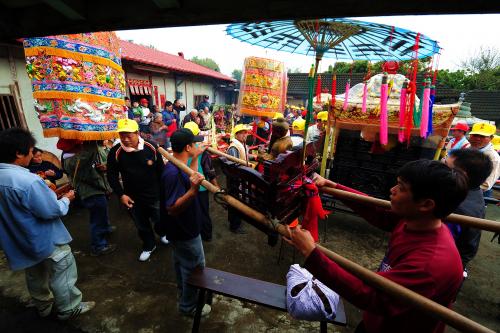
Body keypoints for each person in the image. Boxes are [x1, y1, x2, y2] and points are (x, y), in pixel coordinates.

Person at [286, 160, 469, 333]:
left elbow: (372, 294)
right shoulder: (416, 220)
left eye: (401, 188)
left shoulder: (431, 264)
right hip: (376, 322)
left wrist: (311, 253)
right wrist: (334, 187)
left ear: (426, 204)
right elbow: (381, 213)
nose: (392, 190)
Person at [0, 128, 94, 320]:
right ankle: (69, 307)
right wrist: (66, 199)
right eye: (30, 150)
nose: (33, 154)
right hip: (44, 238)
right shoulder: (28, 180)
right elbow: (51, 211)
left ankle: (42, 305)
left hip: (18, 238)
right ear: (19, 153)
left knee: (35, 273)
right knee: (63, 271)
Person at [160, 128, 211, 317]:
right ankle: (188, 307)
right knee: (195, 269)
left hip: (184, 229)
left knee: (183, 266)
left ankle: (184, 296)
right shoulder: (172, 172)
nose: (197, 145)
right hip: (184, 231)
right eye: (194, 144)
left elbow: (192, 175)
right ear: (188, 146)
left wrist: (196, 158)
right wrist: (193, 191)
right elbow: (172, 208)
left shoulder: (181, 165)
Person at [107, 119, 169, 262]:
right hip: (131, 197)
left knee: (159, 218)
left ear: (137, 133)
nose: (125, 139)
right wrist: (121, 194)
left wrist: (163, 193)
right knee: (141, 224)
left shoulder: (151, 147)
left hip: (154, 194)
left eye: (129, 135)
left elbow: (161, 171)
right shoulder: (115, 152)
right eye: (122, 136)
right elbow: (112, 176)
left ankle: (163, 233)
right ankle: (149, 245)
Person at [64, 141, 117, 256]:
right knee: (97, 218)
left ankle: (106, 228)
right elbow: (87, 158)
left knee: (102, 213)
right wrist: (91, 141)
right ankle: (99, 246)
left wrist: (101, 168)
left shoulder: (77, 157)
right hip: (91, 192)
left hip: (96, 189)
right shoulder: (71, 160)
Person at [445, 149, 492, 275]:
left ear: (462, 175)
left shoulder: (455, 206)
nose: (439, 171)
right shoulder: (474, 192)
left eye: (446, 168)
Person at [184, 121, 219, 241]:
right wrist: (217, 188)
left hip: (188, 186)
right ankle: (206, 235)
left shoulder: (182, 149)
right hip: (201, 187)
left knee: (192, 211)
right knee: (203, 212)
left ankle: (197, 233)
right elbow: (210, 172)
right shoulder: (202, 151)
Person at [227, 124, 252, 234]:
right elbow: (234, 165)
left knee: (239, 200)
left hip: (240, 177)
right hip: (235, 178)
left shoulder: (242, 144)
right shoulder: (233, 147)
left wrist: (254, 157)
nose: (244, 135)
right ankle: (234, 226)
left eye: (245, 132)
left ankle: (235, 221)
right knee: (235, 201)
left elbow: (244, 156)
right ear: (236, 134)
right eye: (242, 133)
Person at [468, 122, 500, 197]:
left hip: (474, 194)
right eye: (475, 135)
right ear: (470, 135)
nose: (477, 138)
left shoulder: (493, 158)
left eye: (482, 136)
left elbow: (486, 184)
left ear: (491, 138)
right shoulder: (466, 148)